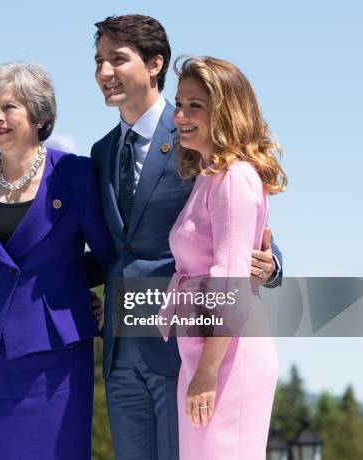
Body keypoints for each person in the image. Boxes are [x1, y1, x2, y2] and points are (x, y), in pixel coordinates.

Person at [90, 14, 283, 459]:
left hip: (186, 347)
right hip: (123, 348)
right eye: (98, 60)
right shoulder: (101, 153)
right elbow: (110, 247)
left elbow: (242, 244)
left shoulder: (198, 143)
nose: (104, 72)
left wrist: (271, 265)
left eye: (117, 59)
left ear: (154, 63)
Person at [0, 62, 116, 459]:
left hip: (54, 354)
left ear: (38, 114)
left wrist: (71, 285)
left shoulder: (75, 173)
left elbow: (108, 255)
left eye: (8, 108)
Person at [169, 56, 287, 459]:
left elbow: (231, 282)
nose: (180, 115)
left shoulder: (234, 179)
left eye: (194, 105)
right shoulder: (210, 177)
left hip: (227, 361)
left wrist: (207, 371)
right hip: (205, 355)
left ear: (224, 111)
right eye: (179, 103)